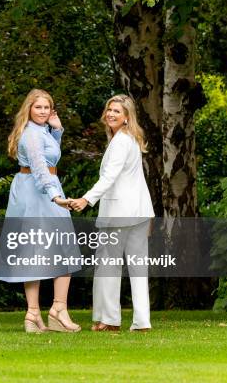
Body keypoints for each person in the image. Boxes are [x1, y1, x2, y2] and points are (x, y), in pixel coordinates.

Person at [0, 89, 81, 333]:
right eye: (38, 107)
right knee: (60, 247)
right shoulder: (32, 135)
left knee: (34, 250)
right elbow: (40, 166)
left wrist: (57, 130)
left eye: (47, 107)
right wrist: (55, 196)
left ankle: (35, 314)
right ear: (29, 109)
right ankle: (56, 309)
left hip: (34, 190)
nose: (43, 111)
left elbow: (51, 158)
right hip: (40, 192)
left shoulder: (41, 132)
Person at [70, 94, 155, 332]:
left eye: (117, 111)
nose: (111, 114)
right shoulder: (131, 139)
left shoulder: (120, 142)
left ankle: (109, 320)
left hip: (120, 212)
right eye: (109, 110)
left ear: (127, 117)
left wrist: (86, 199)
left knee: (108, 265)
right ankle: (141, 322)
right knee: (138, 268)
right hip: (139, 211)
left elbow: (109, 177)